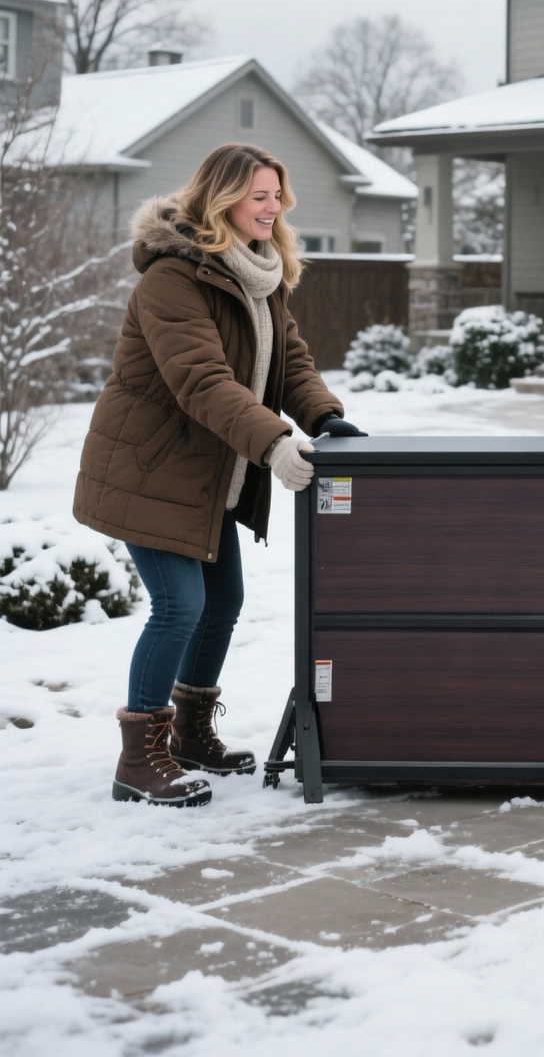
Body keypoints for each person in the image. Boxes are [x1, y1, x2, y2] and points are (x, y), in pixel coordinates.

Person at [73, 144, 365, 807]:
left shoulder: (262, 275)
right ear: (221, 199)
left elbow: (289, 361)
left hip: (206, 474)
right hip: (149, 469)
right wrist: (274, 444)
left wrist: (323, 416)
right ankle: (138, 759)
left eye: (277, 195)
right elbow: (201, 380)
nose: (274, 207)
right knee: (181, 606)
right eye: (259, 195)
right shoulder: (172, 279)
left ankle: (191, 734)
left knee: (223, 603)